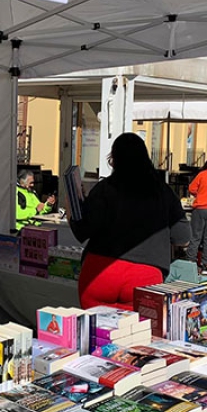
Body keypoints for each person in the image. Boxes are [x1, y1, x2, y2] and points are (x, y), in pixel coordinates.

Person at [69, 133, 190, 310]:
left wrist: (72, 209)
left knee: (94, 331)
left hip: (101, 271)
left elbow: (82, 230)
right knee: (136, 333)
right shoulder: (163, 192)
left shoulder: (105, 189)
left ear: (114, 160)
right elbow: (183, 238)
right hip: (146, 275)